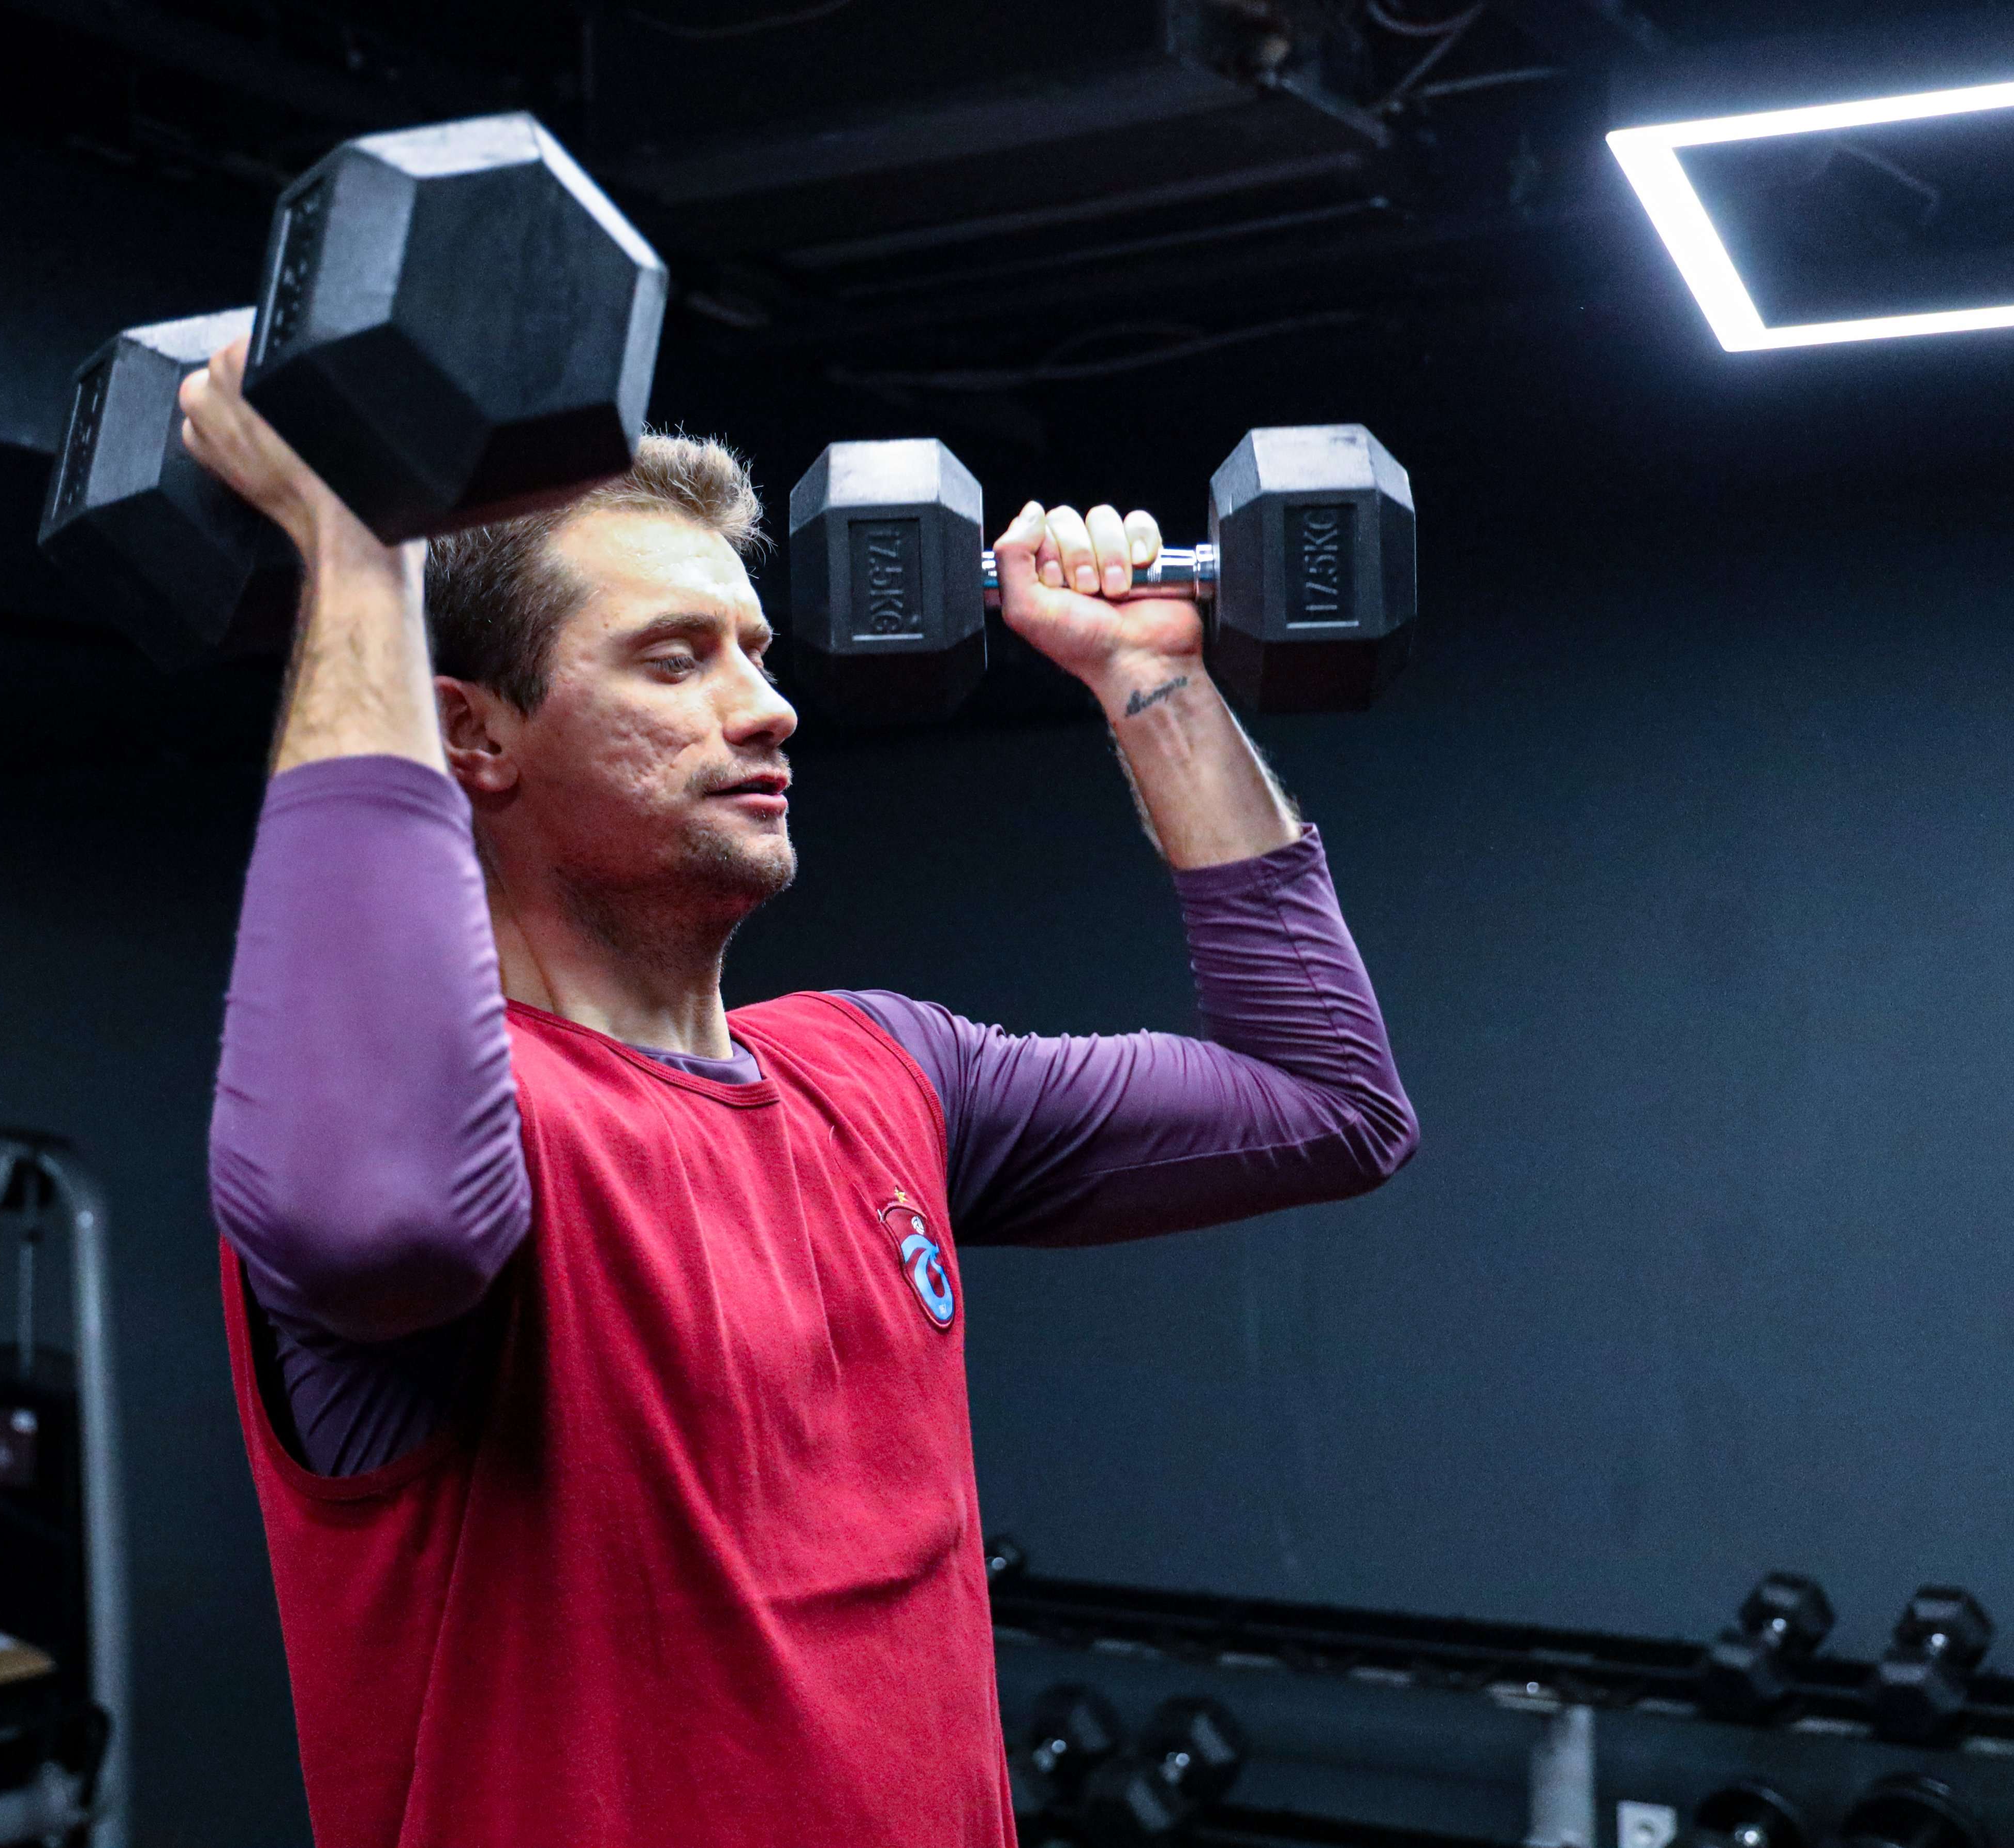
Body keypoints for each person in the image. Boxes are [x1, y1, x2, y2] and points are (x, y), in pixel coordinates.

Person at [184, 336, 1417, 1848]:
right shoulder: (464, 1135)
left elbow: (1324, 1101)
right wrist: (357, 558)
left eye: (756, 653)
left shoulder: (880, 1069)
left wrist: (1147, 677)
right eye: (671, 657)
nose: (764, 710)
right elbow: (376, 1217)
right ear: (473, 731)